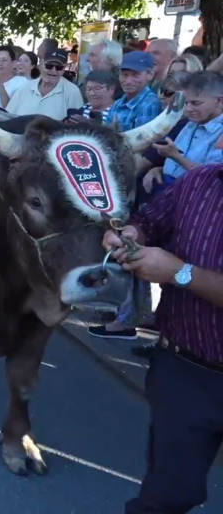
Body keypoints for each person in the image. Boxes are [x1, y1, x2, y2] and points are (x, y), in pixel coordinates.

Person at [103, 162, 223, 514]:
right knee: (167, 497)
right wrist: (128, 235)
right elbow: (151, 221)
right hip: (185, 371)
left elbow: (176, 271)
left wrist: (179, 273)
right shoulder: (201, 180)